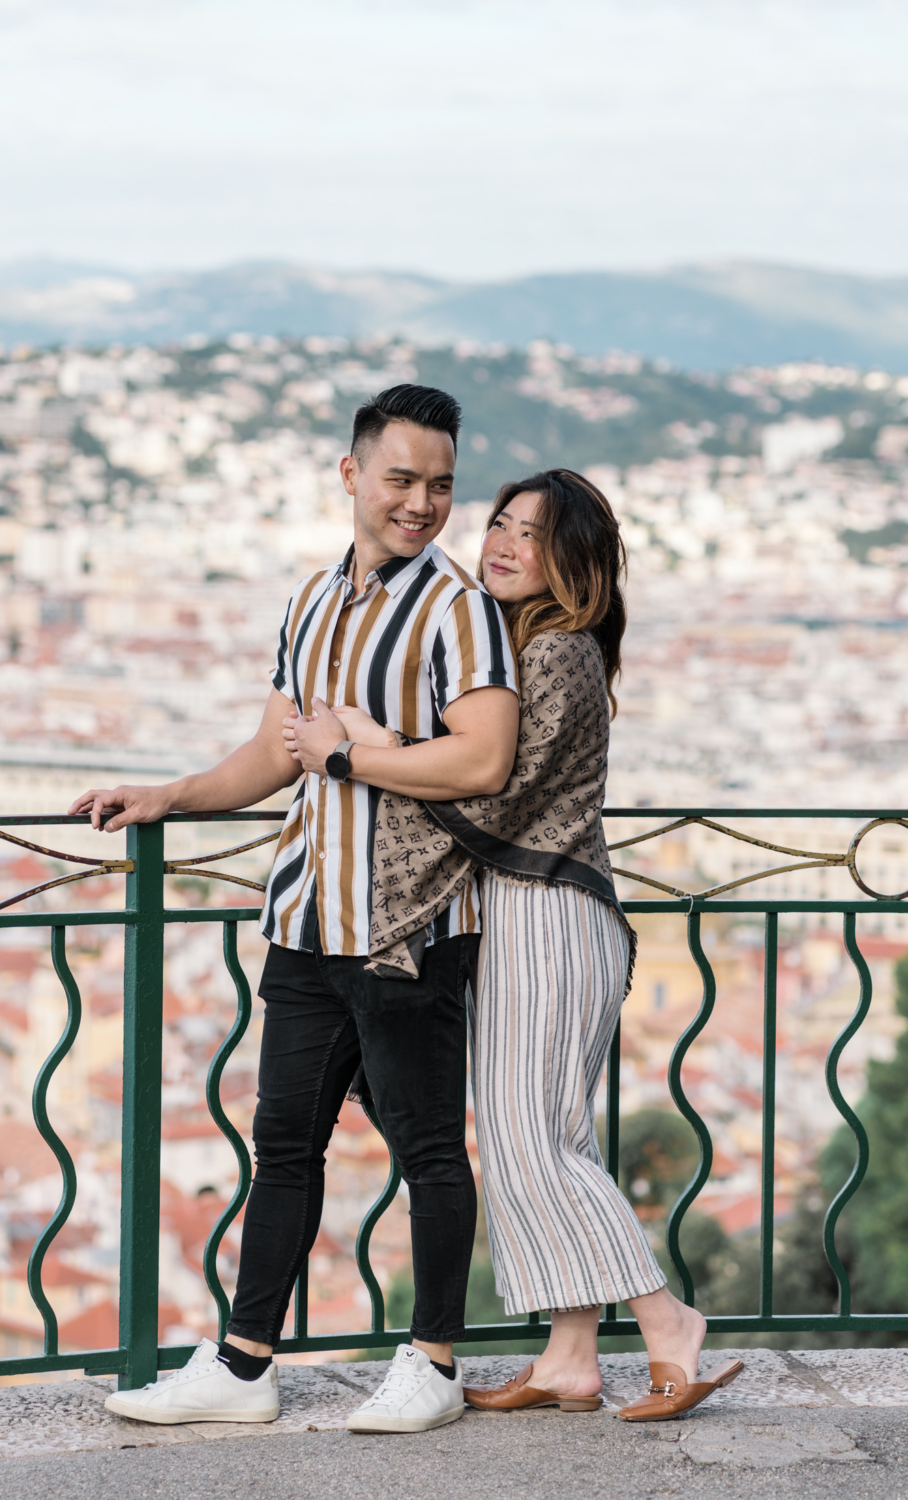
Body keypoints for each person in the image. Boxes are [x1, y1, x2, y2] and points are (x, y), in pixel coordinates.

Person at [68, 384, 519, 1435]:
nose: (421, 503)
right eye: (402, 478)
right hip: (309, 916)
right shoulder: (313, 599)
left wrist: (354, 752)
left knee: (427, 1151)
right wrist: (169, 795)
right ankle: (243, 1364)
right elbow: (275, 750)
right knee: (282, 1145)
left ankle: (433, 1361)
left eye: (441, 486)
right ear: (351, 474)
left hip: (408, 923)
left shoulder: (458, 609)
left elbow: (487, 757)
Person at [286, 469, 743, 1422]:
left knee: (531, 1141)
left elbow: (493, 798)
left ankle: (669, 1323)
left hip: (548, 912)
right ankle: (571, 1357)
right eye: (499, 523)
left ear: (572, 563)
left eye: (531, 536)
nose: (500, 542)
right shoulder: (525, 644)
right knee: (545, 1136)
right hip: (528, 918)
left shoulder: (558, 653)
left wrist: (354, 750)